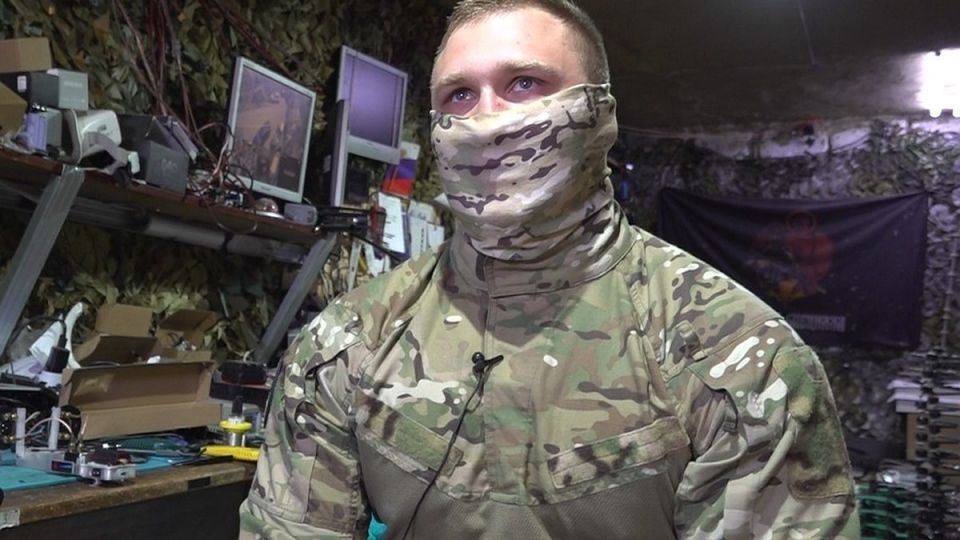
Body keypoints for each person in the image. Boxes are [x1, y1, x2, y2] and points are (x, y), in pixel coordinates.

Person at [239, 1, 861, 538]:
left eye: (524, 83)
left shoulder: (737, 356)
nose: (486, 117)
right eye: (459, 95)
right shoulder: (349, 341)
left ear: (598, 114)